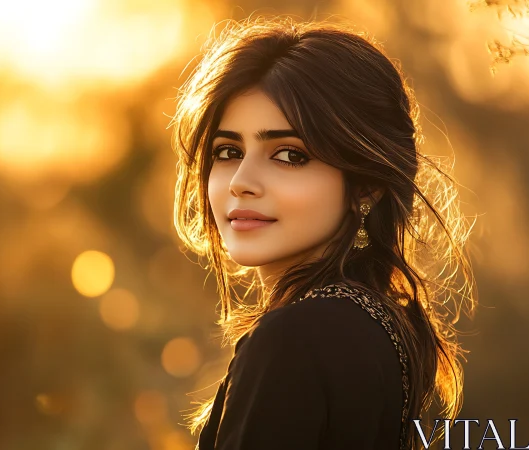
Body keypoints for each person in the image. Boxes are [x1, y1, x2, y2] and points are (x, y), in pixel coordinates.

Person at [170, 16, 477, 450]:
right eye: (228, 151)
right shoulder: (380, 324)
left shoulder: (293, 340)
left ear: (365, 184)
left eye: (289, 155)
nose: (241, 180)